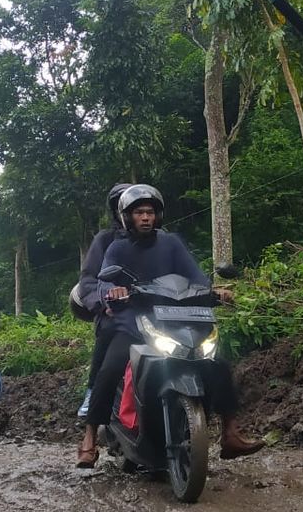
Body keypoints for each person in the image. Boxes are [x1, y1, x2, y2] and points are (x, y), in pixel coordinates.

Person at [76, 184, 263, 467]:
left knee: (219, 362)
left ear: (158, 215)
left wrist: (213, 292)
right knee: (111, 367)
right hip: (132, 321)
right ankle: (89, 436)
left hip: (175, 317)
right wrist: (110, 293)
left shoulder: (171, 243)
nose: (145, 217)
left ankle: (230, 431)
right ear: (126, 216)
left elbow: (195, 275)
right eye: (139, 212)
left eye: (150, 212)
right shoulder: (115, 245)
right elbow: (102, 280)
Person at [73, 182, 132, 418]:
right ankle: (93, 393)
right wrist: (105, 302)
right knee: (108, 332)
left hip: (155, 310)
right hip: (116, 311)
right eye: (123, 206)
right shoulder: (105, 240)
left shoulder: (161, 240)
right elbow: (88, 280)